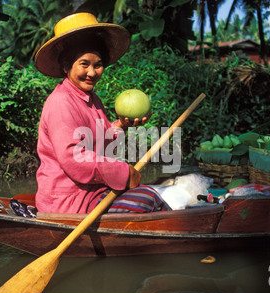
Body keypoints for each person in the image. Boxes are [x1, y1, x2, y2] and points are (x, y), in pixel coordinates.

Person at [34, 13, 171, 214]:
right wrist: (123, 172)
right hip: (68, 202)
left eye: (97, 65)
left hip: (94, 192)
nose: (92, 72)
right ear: (66, 66)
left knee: (150, 193)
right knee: (147, 198)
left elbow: (102, 140)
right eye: (84, 64)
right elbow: (74, 158)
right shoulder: (60, 102)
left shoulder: (93, 100)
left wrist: (122, 126)